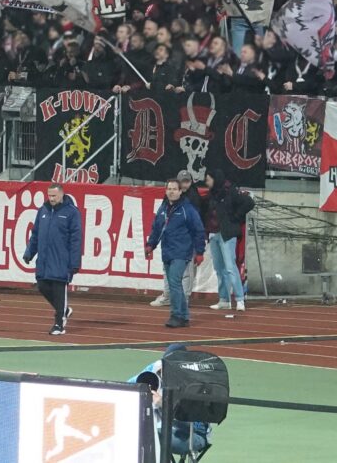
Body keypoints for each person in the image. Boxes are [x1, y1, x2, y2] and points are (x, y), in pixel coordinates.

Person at [132, 345, 215, 462]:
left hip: (193, 434)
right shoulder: (156, 368)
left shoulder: (196, 384)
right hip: (161, 427)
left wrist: (165, 406)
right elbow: (129, 386)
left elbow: (192, 424)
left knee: (150, 437)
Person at [146, 174, 205, 329]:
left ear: (180, 192)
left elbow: (198, 230)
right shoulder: (163, 208)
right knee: (174, 283)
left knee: (174, 282)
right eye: (169, 189)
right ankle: (184, 317)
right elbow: (157, 227)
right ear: (166, 191)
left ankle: (176, 315)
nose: (171, 192)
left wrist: (199, 252)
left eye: (174, 189)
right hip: (167, 250)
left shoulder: (187, 209)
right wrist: (150, 245)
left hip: (182, 251)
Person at [22, 183, 81, 336]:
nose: (51, 198)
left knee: (59, 291)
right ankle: (64, 310)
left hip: (62, 261)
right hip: (44, 260)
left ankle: (59, 324)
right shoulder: (43, 211)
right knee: (42, 286)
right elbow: (35, 234)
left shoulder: (72, 213)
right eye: (50, 195)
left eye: (54, 195)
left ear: (61, 194)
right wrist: (29, 252)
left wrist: (74, 263)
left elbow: (76, 239)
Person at [201, 172, 253, 312]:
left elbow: (249, 202)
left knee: (230, 267)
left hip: (227, 235)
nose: (206, 182)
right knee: (219, 269)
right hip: (213, 234)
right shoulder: (210, 196)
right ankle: (224, 299)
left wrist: (235, 218)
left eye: (208, 179)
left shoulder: (230, 193)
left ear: (215, 179)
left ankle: (240, 299)